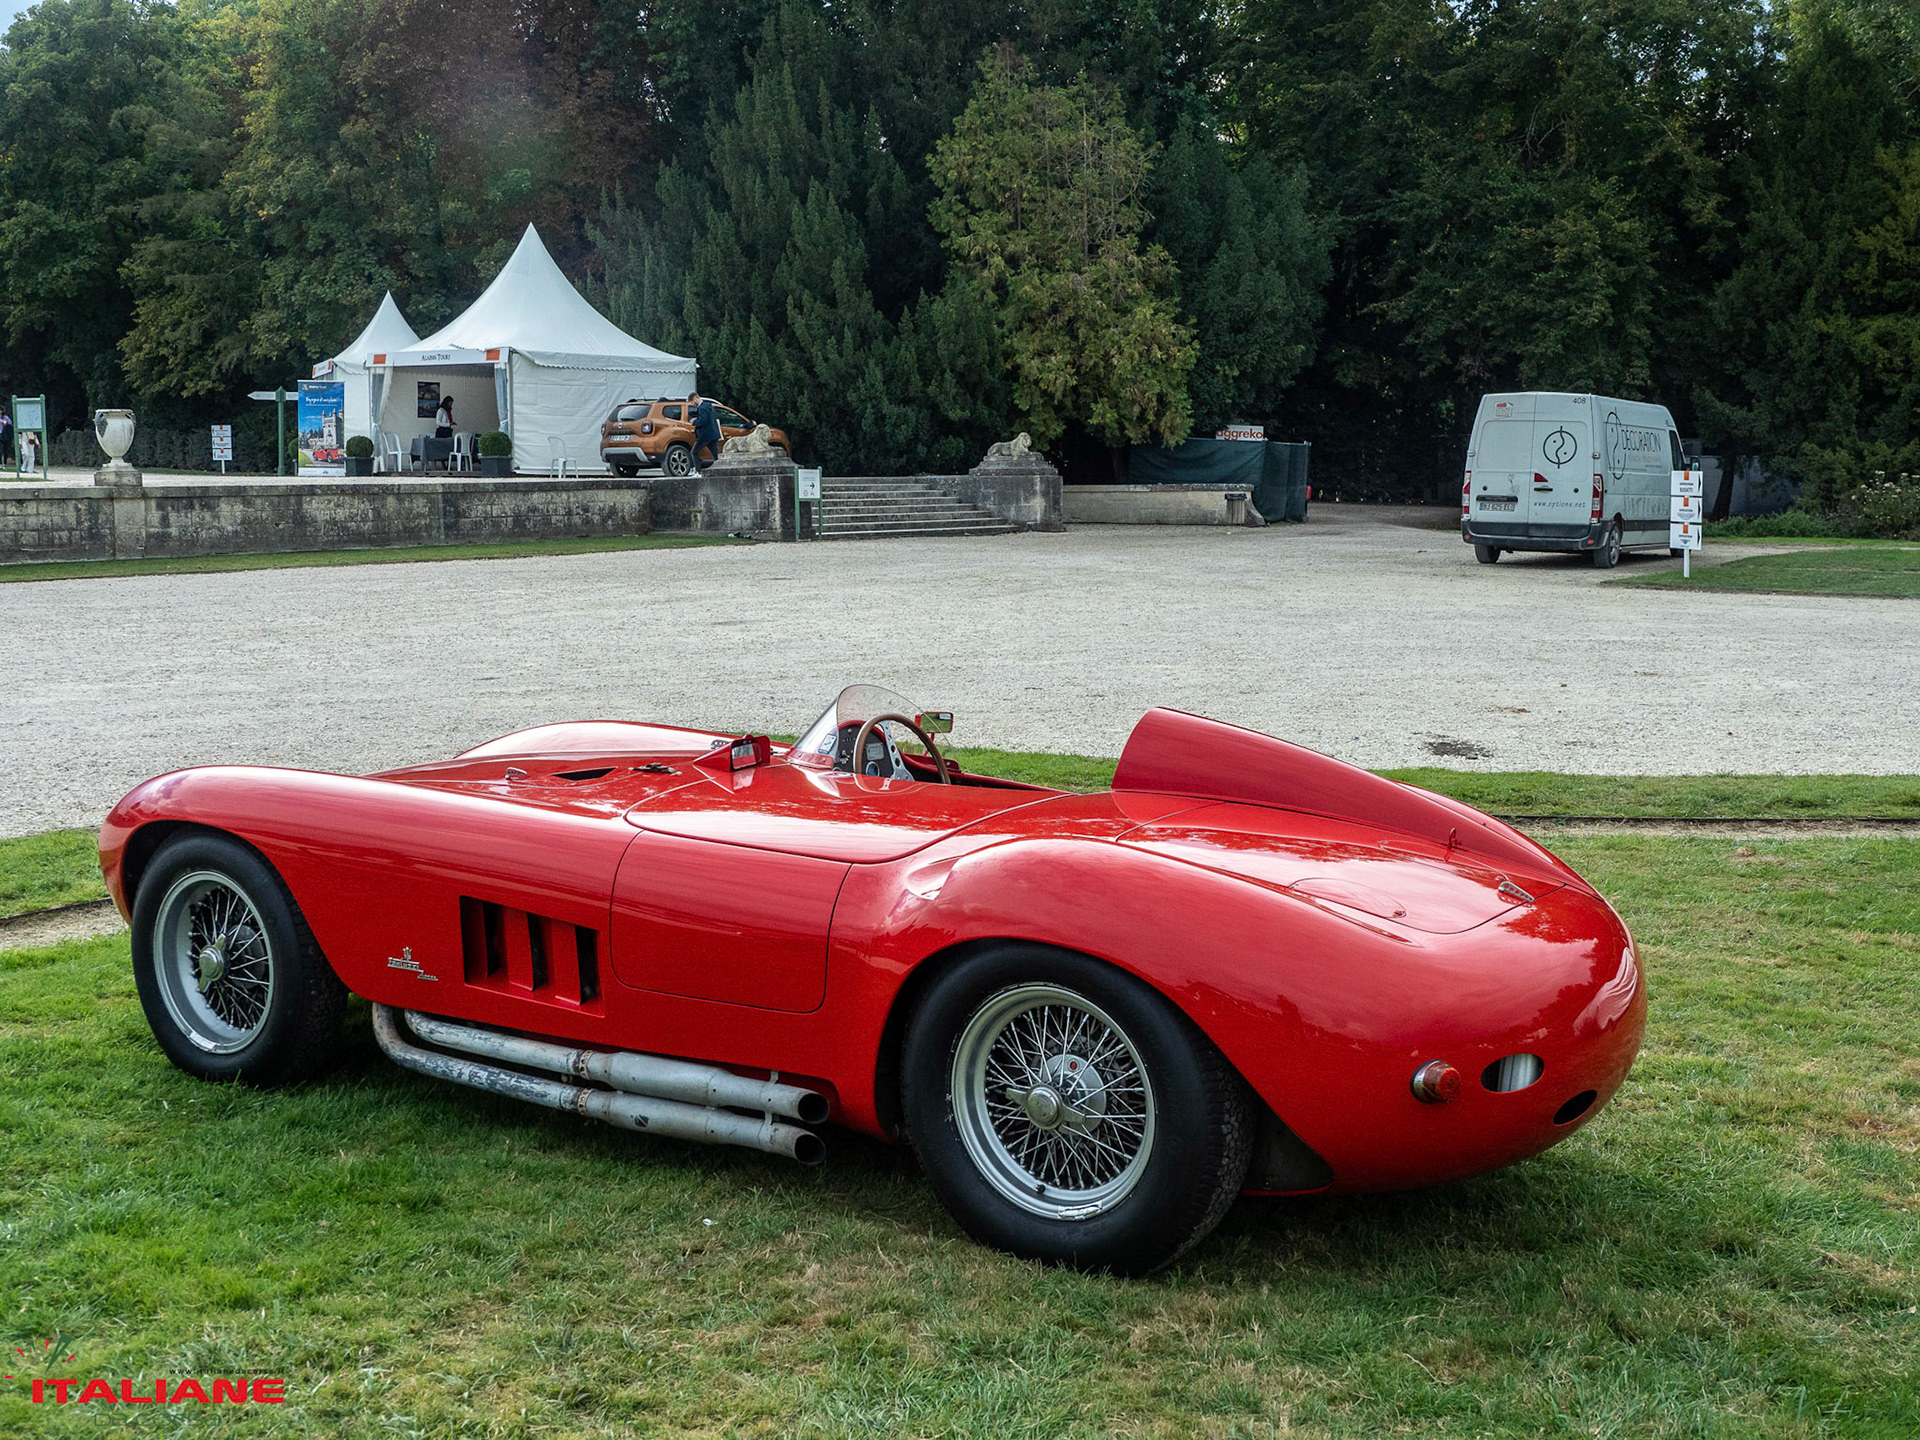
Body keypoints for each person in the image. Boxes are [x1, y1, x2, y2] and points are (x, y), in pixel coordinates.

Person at [691, 392, 722, 467]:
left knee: (694, 452)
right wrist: (698, 419)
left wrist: (694, 422)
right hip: (713, 434)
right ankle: (719, 468)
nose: (692, 404)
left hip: (704, 435)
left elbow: (703, 421)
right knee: (715, 455)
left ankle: (698, 471)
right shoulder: (708, 405)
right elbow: (709, 419)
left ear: (695, 399)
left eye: (692, 402)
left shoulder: (701, 408)